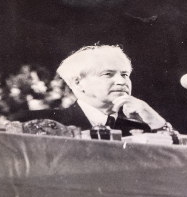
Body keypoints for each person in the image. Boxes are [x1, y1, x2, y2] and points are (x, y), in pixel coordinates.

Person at [12, 45, 169, 136]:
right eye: (108, 74)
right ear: (78, 83)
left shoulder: (145, 128)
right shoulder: (32, 122)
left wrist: (157, 122)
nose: (122, 81)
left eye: (125, 74)